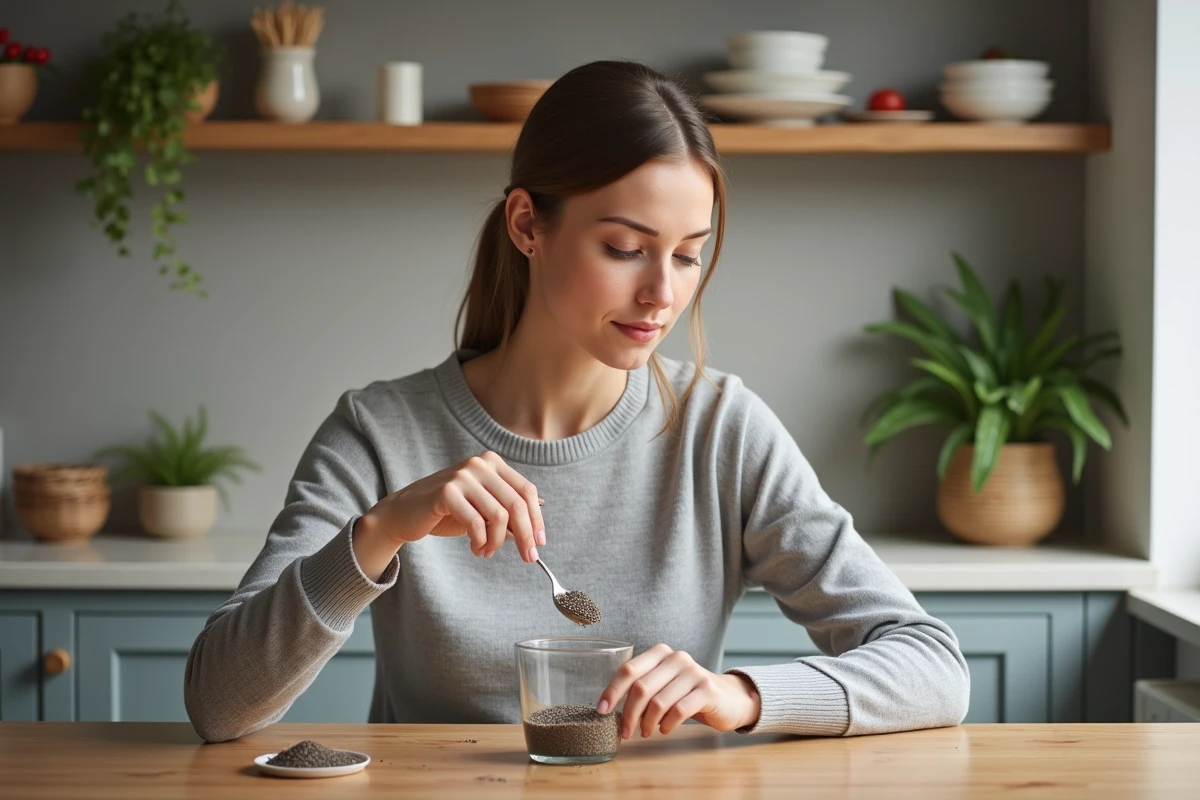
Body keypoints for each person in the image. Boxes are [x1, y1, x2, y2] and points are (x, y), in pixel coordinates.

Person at [184, 60, 969, 744]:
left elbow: (933, 667)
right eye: (625, 249)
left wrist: (742, 694)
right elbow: (219, 707)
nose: (663, 294)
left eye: (688, 255)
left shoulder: (721, 430)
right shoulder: (380, 432)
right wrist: (384, 530)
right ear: (528, 224)